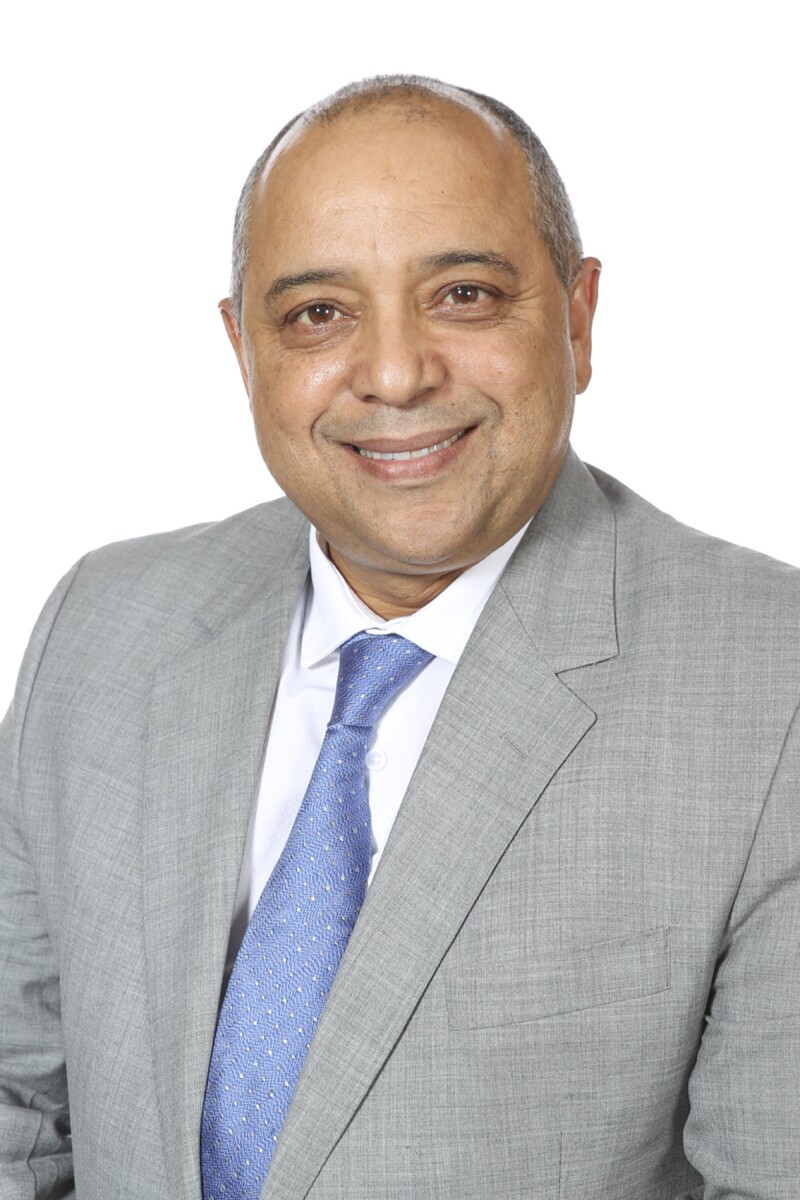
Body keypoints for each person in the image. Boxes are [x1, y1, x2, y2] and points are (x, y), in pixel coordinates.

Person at [1, 74, 798, 1200]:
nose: (393, 373)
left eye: (464, 295)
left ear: (576, 319)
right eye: (317, 315)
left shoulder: (772, 688)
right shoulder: (101, 626)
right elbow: (15, 1108)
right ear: (243, 351)